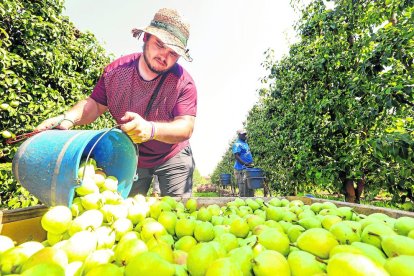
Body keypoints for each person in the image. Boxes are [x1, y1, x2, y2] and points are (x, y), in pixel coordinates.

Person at [36, 8, 197, 197]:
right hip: (131, 155)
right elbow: (95, 104)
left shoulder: (183, 83)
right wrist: (68, 118)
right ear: (145, 37)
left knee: (177, 212)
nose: (164, 56)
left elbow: (186, 127)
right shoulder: (116, 72)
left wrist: (151, 130)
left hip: (172, 156)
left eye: (173, 53)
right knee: (127, 212)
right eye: (159, 44)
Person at [232, 128, 254, 197]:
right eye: (243, 134)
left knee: (249, 187)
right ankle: (242, 203)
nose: (245, 135)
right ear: (239, 135)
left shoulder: (245, 143)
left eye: (245, 134)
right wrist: (245, 163)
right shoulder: (237, 144)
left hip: (247, 168)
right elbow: (236, 156)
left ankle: (250, 202)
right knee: (243, 187)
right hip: (240, 169)